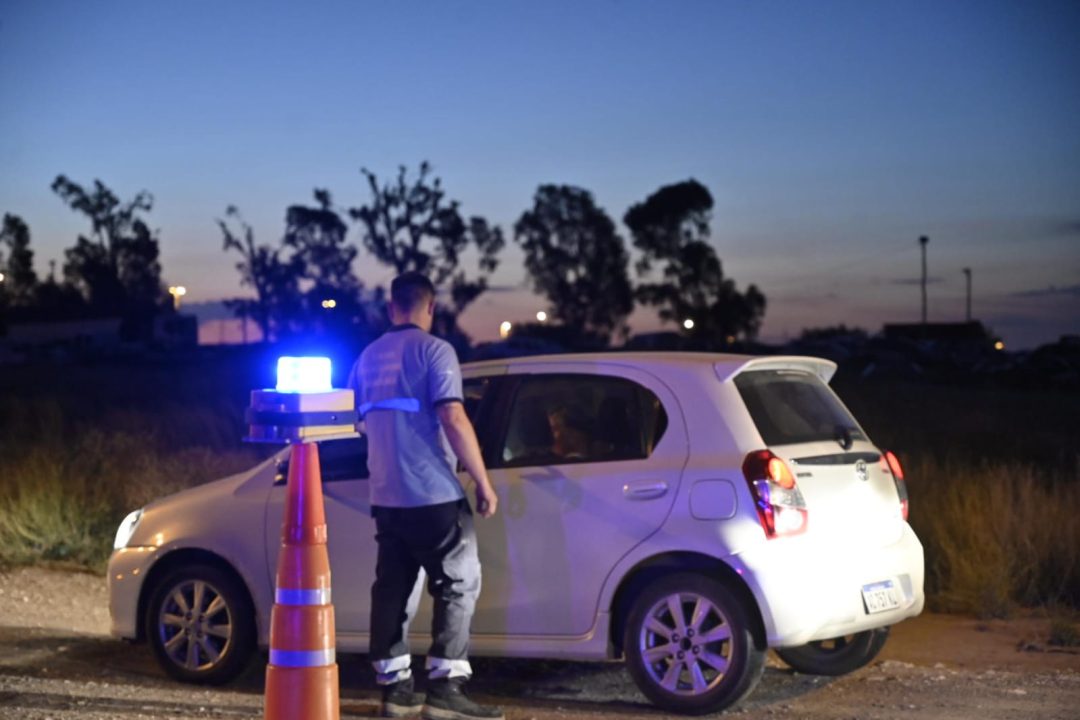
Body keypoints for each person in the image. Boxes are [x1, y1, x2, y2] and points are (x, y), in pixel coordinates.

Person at [348, 272, 503, 720]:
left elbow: (358, 423)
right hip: (433, 494)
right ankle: (445, 690)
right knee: (458, 585)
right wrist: (483, 482)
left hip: (386, 496)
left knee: (393, 589)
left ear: (391, 306)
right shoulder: (436, 351)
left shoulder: (366, 358)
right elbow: (453, 416)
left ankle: (396, 692)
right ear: (430, 307)